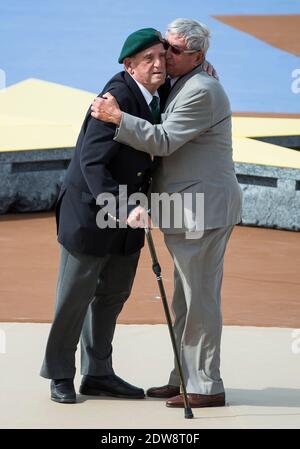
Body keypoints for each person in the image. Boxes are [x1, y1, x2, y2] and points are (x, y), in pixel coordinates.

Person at [90, 18, 243, 408]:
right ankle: (183, 378)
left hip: (202, 211)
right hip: (188, 209)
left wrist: (117, 118)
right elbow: (151, 76)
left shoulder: (202, 90)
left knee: (201, 300)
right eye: (162, 46)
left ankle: (206, 385)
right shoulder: (186, 80)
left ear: (196, 55)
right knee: (185, 299)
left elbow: (165, 140)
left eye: (173, 50)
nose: (164, 55)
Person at [40, 28, 167, 403]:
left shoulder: (157, 93)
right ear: (130, 65)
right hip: (92, 213)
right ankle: (60, 374)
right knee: (75, 297)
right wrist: (125, 205)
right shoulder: (114, 97)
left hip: (126, 218)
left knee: (112, 295)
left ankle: (97, 373)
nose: (159, 64)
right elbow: (91, 163)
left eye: (162, 56)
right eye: (149, 59)